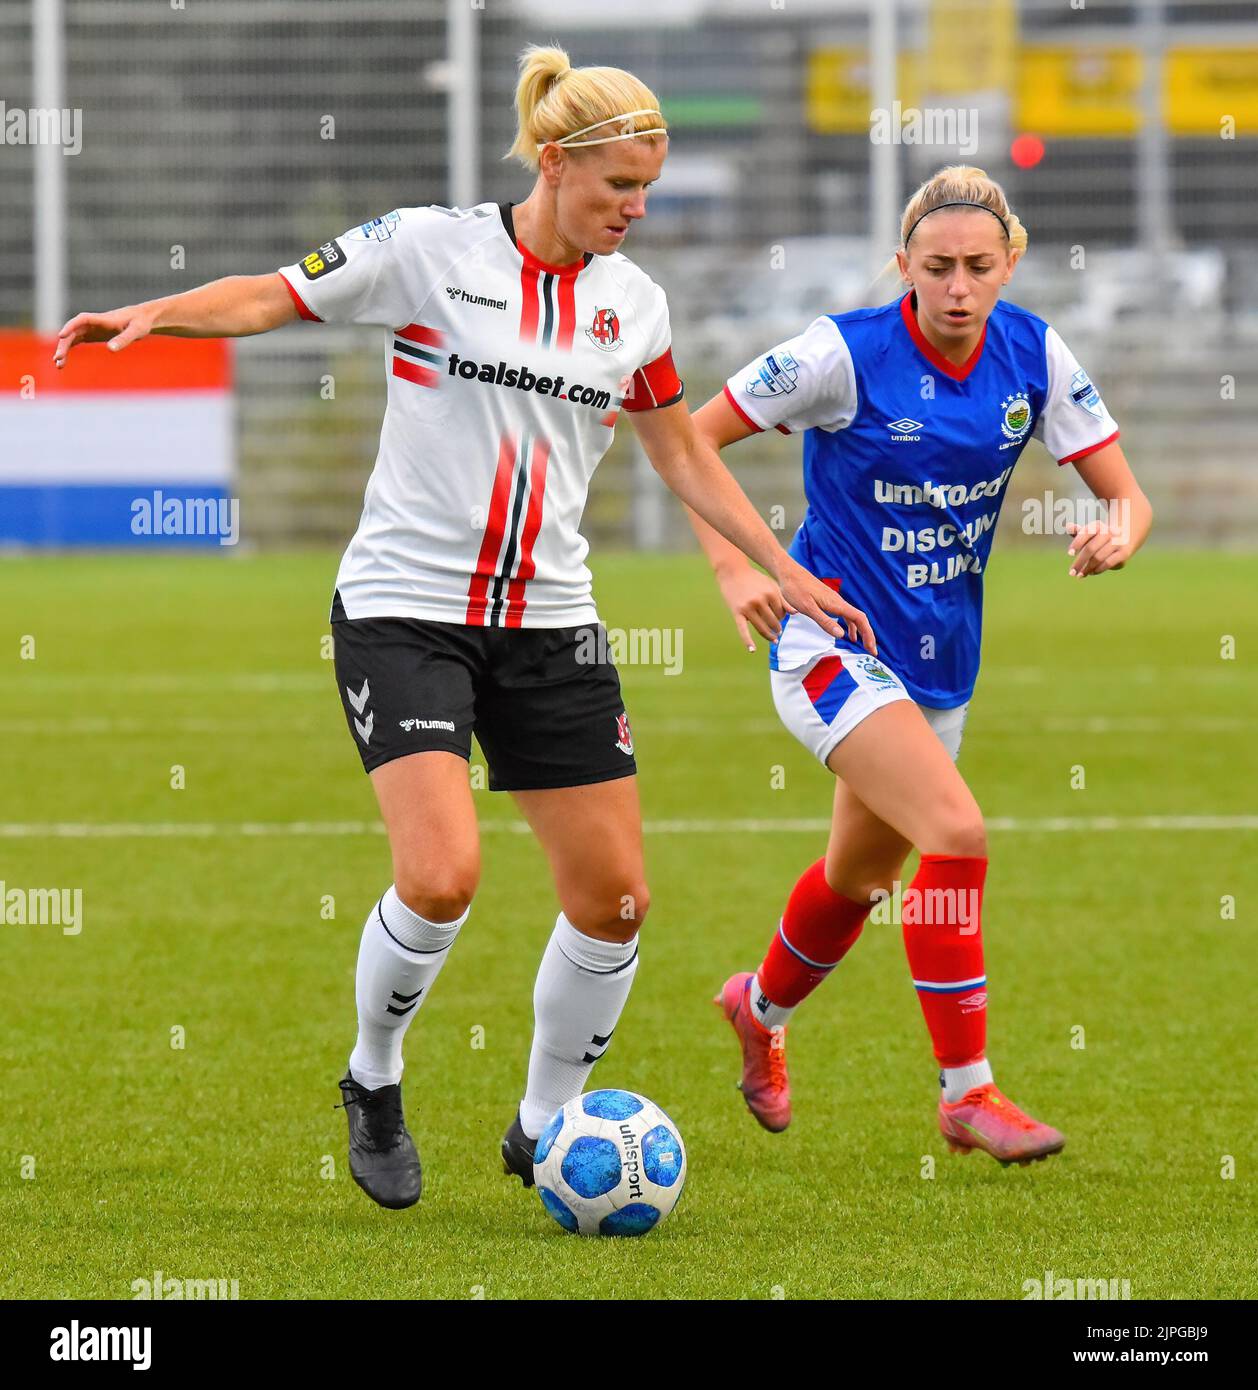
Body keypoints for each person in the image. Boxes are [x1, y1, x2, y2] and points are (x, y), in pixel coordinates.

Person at [54, 44, 872, 1210]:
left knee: (618, 900)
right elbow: (274, 293)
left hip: (552, 623)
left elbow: (680, 447)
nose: (635, 210)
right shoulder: (426, 248)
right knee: (440, 877)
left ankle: (542, 1122)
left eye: (647, 188)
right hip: (404, 611)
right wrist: (160, 314)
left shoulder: (632, 304)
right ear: (553, 162)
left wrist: (775, 564)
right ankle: (372, 1075)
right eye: (616, 188)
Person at [689, 165, 1152, 1165]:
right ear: (900, 264)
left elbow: (1127, 495)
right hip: (829, 641)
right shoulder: (839, 353)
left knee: (855, 879)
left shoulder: (1034, 353)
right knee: (956, 832)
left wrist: (1115, 532)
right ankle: (967, 1094)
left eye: (977, 267)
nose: (955, 286)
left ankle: (757, 1007)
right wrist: (737, 569)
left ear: (1008, 263)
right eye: (934, 266)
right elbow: (690, 438)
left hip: (941, 661)